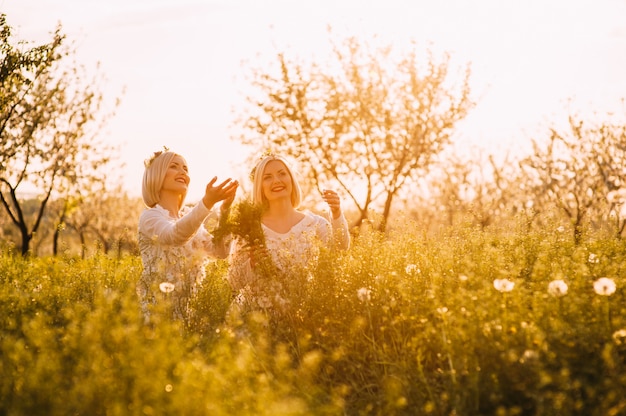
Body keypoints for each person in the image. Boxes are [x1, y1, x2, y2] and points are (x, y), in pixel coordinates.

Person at [227, 153, 350, 314]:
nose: (276, 180)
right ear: (260, 187)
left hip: (304, 317)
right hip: (257, 320)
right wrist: (251, 265)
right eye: (267, 177)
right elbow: (233, 282)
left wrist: (336, 213)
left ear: (291, 179)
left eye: (282, 174)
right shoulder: (250, 230)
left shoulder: (315, 224)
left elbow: (340, 251)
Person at [137, 148, 238, 324]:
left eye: (185, 168)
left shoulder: (189, 220)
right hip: (159, 315)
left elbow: (220, 252)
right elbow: (174, 235)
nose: (182, 171)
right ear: (157, 174)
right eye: (174, 166)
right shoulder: (150, 217)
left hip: (191, 315)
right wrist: (207, 202)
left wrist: (225, 210)